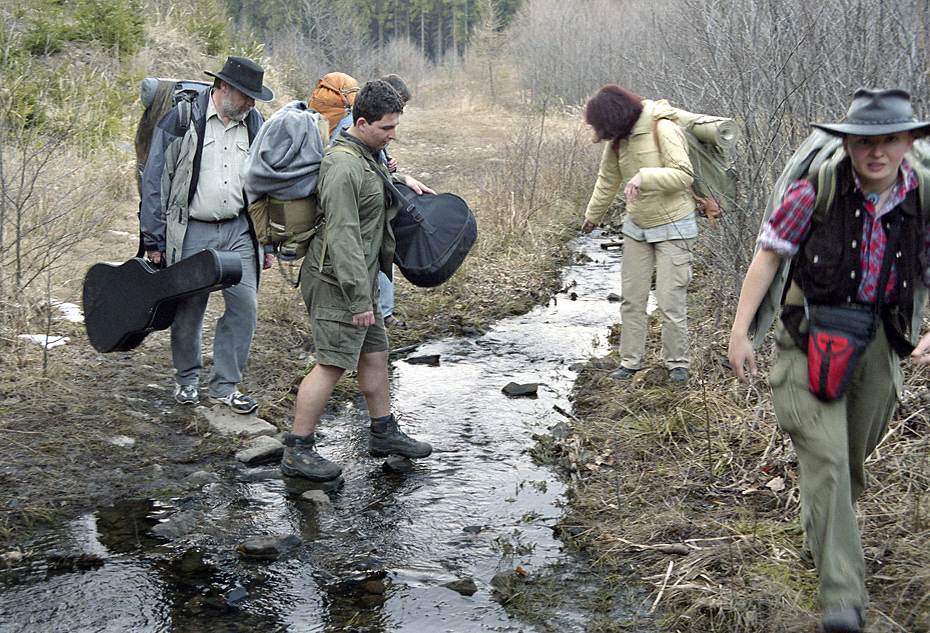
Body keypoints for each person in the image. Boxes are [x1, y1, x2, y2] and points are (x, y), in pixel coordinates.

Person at [728, 88, 930, 633]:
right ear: (848, 144)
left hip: (880, 344)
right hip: (807, 340)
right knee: (830, 463)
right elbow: (769, 255)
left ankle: (818, 530)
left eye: (890, 139)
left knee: (850, 465)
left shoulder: (923, 198)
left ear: (911, 141)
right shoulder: (814, 189)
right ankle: (843, 598)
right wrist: (741, 330)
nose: (877, 152)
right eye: (865, 141)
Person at [280, 80, 436, 482]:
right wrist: (358, 299)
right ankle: (297, 450)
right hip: (336, 281)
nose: (393, 135)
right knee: (331, 363)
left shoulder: (368, 155)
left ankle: (383, 432)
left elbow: (374, 193)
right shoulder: (342, 165)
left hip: (360, 278)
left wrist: (401, 181)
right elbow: (343, 233)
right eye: (386, 128)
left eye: (396, 126)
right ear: (361, 122)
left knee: (375, 355)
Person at [139, 56, 275, 414]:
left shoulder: (255, 123)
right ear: (223, 88)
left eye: (254, 97)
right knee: (188, 310)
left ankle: (225, 387)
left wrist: (270, 241)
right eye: (246, 95)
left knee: (244, 307)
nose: (251, 103)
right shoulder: (181, 120)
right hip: (192, 229)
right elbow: (155, 182)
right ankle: (186, 381)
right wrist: (154, 240)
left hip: (240, 231)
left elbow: (266, 185)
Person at [581, 85, 696, 382]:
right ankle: (630, 362)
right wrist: (592, 216)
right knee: (632, 299)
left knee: (670, 300)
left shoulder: (663, 127)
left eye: (599, 127)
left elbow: (684, 175)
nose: (597, 135)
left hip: (674, 224)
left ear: (613, 118)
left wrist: (646, 176)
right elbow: (607, 179)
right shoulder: (618, 140)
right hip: (637, 227)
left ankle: (677, 364)